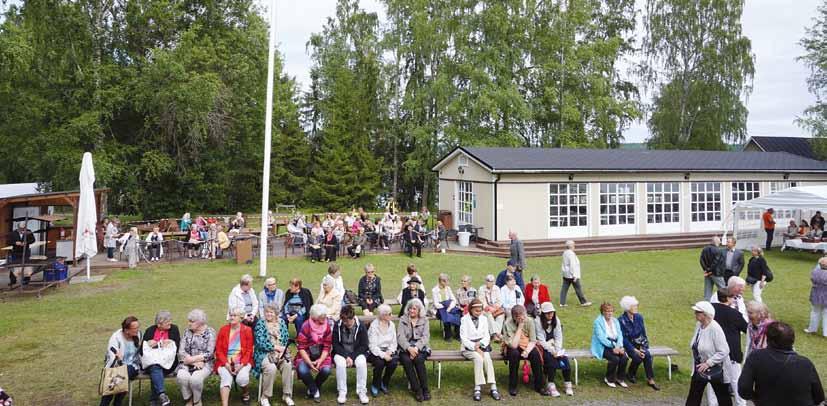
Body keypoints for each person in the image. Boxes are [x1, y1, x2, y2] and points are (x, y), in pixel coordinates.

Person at [739, 321, 825, 406]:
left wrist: (757, 399)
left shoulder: (756, 357)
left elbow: (744, 389)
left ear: (768, 339)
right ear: (792, 340)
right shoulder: (805, 364)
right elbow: (819, 397)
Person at [685, 301, 731, 406]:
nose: (695, 314)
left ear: (705, 314)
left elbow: (724, 351)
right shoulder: (699, 325)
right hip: (699, 368)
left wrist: (708, 363)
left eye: (697, 312)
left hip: (716, 369)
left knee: (723, 398)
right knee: (693, 397)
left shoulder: (715, 328)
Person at [710, 289, 748, 406]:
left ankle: (713, 403)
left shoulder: (710, 310)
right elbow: (746, 328)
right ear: (728, 299)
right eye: (733, 298)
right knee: (735, 380)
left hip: (713, 350)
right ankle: (740, 403)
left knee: (712, 380)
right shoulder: (734, 314)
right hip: (731, 352)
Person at [253, 303, 295, 406]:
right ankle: (265, 396)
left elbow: (285, 339)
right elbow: (260, 342)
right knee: (271, 368)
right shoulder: (260, 323)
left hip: (280, 352)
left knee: (287, 365)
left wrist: (282, 351)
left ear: (276, 313)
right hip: (264, 353)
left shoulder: (281, 322)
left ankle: (287, 395)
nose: (268, 314)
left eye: (271, 312)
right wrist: (275, 348)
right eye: (267, 312)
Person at [460, 299, 501, 401]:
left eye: (480, 310)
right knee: (478, 359)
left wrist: (481, 344)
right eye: (476, 311)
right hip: (468, 348)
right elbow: (463, 338)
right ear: (471, 310)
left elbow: (487, 336)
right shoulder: (464, 319)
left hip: (482, 346)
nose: (479, 313)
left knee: (487, 358)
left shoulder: (484, 319)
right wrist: (475, 347)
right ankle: (478, 387)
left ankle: (493, 386)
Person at [617, 296, 659, 391]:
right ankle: (631, 374)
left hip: (639, 343)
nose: (636, 307)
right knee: (637, 357)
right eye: (634, 306)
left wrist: (643, 347)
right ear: (627, 308)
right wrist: (635, 350)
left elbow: (643, 333)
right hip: (628, 345)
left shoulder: (639, 317)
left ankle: (650, 379)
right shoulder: (621, 320)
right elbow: (623, 339)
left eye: (636, 305)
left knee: (647, 354)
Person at [214, 307, 253, 406]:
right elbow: (218, 350)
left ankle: (245, 393)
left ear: (241, 318)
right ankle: (225, 404)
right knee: (226, 378)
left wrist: (241, 365)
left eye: (234, 315)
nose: (231, 317)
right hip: (225, 362)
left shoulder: (247, 330)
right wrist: (226, 364)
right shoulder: (223, 330)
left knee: (242, 378)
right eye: (230, 315)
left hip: (243, 361)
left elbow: (249, 351)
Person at [501, 305, 543, 396]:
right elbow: (513, 345)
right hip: (513, 345)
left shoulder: (530, 321)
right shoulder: (507, 323)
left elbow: (533, 340)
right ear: (514, 317)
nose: (523, 318)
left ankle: (539, 386)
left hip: (527, 344)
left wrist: (527, 351)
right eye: (519, 317)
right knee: (514, 354)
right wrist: (520, 327)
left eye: (524, 315)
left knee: (535, 354)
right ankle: (513, 386)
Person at [332, 305, 371, 404]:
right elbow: (335, 345)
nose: (346, 323)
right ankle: (342, 391)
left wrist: (352, 357)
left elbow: (364, 345)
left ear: (353, 317)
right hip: (341, 353)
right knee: (340, 364)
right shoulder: (337, 325)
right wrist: (346, 356)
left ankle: (362, 391)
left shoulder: (361, 326)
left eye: (348, 321)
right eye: (344, 321)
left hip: (357, 352)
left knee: (362, 363)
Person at [100, 316, 142, 406]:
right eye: (135, 328)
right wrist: (117, 357)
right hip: (117, 367)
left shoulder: (139, 335)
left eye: (138, 327)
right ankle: (116, 402)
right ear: (127, 330)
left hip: (133, 366)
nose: (138, 330)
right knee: (120, 376)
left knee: (124, 374)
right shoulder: (116, 337)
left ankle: (106, 403)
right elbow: (111, 355)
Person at [141, 311, 180, 406]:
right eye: (167, 322)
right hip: (152, 362)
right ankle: (162, 396)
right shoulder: (150, 330)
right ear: (159, 324)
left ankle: (155, 398)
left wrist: (171, 342)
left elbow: (178, 346)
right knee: (155, 367)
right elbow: (142, 350)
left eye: (170, 320)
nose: (170, 323)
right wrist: (150, 344)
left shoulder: (174, 329)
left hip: (169, 363)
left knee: (155, 369)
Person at [176, 309, 215, 406]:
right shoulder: (187, 332)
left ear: (200, 322)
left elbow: (209, 353)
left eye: (191, 321)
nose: (189, 324)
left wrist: (193, 359)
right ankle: (188, 398)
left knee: (196, 379)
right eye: (189, 321)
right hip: (187, 362)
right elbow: (181, 351)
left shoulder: (210, 333)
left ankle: (197, 400)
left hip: (205, 364)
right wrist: (193, 362)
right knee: (181, 376)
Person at [295, 304, 333, 403]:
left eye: (325, 315)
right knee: (303, 370)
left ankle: (313, 387)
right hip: (306, 355)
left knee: (326, 370)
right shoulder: (306, 325)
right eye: (322, 316)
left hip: (321, 354)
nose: (324, 318)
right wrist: (309, 363)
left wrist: (320, 360)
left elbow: (327, 346)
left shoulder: (327, 326)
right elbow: (301, 347)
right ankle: (315, 390)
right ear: (315, 317)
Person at [535, 302, 573, 397]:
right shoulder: (537, 322)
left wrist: (557, 350)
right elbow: (541, 340)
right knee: (551, 361)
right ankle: (551, 384)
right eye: (548, 313)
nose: (550, 315)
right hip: (543, 348)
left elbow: (558, 337)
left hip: (554, 347)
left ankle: (567, 383)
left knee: (564, 360)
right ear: (543, 313)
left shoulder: (556, 321)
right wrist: (552, 351)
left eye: (552, 312)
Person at [397, 298, 431, 402]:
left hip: (420, 347)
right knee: (406, 361)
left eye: (414, 309)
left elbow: (426, 337)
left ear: (420, 310)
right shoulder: (403, 319)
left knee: (419, 360)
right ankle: (417, 390)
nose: (412, 311)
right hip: (405, 348)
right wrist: (409, 348)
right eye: (410, 308)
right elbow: (400, 337)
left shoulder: (425, 320)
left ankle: (425, 389)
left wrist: (416, 348)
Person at [591, 302, 628, 388]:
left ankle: (620, 378)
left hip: (616, 344)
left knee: (624, 357)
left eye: (611, 311)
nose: (609, 313)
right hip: (602, 345)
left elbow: (620, 334)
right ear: (603, 312)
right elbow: (601, 338)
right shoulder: (598, 322)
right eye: (607, 311)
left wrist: (619, 346)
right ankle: (609, 378)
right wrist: (614, 346)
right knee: (614, 358)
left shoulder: (615, 321)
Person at [367, 304, 398, 397]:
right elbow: (372, 346)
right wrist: (383, 355)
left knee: (393, 363)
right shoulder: (374, 326)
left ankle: (384, 382)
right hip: (375, 351)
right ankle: (375, 384)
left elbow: (394, 342)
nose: (391, 315)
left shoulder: (391, 325)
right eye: (390, 314)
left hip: (388, 350)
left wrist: (390, 351)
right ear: (383, 315)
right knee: (380, 363)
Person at [560, 240, 591, 307]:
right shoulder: (571, 254)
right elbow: (572, 265)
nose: (574, 246)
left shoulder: (565, 252)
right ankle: (583, 302)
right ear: (571, 246)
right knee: (578, 288)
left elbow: (564, 264)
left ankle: (562, 303)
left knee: (564, 289)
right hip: (572, 275)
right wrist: (574, 275)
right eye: (573, 245)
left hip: (566, 274)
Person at [433, 273, 462, 341]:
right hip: (440, 309)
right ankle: (448, 336)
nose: (448, 283)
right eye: (446, 281)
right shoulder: (435, 290)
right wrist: (445, 306)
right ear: (441, 281)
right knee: (446, 317)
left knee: (458, 313)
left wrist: (449, 307)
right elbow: (436, 304)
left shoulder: (448, 288)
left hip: (450, 307)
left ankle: (457, 335)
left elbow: (453, 299)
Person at [805, 256, 827, 337]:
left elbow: (812, 279)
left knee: (815, 312)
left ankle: (812, 329)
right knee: (826, 314)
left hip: (816, 294)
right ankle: (826, 332)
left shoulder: (815, 272)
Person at [479, 274, 505, 341]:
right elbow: (482, 301)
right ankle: (497, 334)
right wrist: (489, 308)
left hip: (495, 309)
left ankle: (495, 335)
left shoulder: (497, 288)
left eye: (491, 281)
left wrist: (495, 308)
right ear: (485, 281)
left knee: (501, 315)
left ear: (494, 282)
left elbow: (499, 301)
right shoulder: (481, 289)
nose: (489, 282)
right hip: (485, 310)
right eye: (487, 281)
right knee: (488, 315)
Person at [701, 236, 726, 301]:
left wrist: (706, 269)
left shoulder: (705, 249)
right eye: (719, 241)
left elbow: (701, 260)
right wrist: (710, 270)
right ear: (717, 242)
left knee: (707, 289)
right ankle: (725, 301)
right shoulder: (718, 250)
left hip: (707, 273)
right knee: (723, 288)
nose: (720, 242)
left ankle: (707, 302)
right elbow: (716, 263)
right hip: (716, 273)